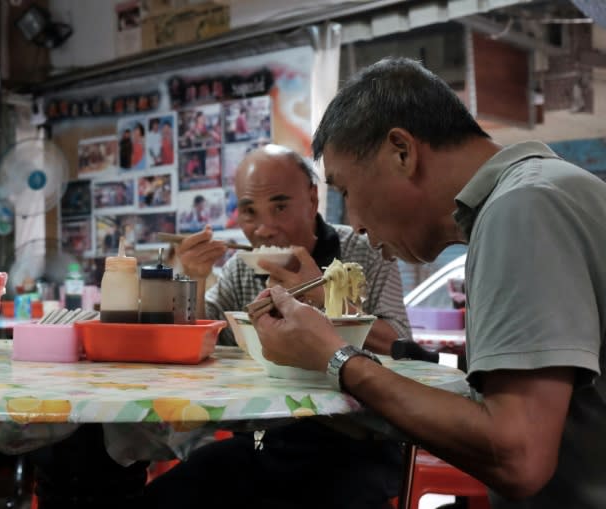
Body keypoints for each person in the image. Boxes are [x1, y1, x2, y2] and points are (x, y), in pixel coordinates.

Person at [252, 57, 606, 509]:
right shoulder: (543, 190)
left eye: (345, 192)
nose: (354, 223)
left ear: (401, 151)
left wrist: (335, 358)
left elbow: (519, 457)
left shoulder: (524, 207)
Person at [141, 144, 411, 509]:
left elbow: (400, 344)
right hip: (266, 440)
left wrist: (320, 292)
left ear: (313, 198)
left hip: (357, 443)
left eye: (280, 207)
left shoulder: (365, 251)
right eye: (250, 212)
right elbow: (205, 339)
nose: (264, 229)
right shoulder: (242, 268)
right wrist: (196, 279)